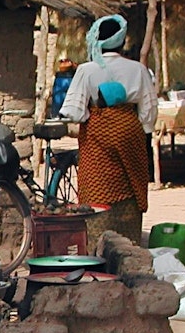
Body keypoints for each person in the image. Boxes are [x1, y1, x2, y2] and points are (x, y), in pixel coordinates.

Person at [58, 15, 158, 242]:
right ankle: (129, 246)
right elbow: (149, 112)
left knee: (96, 188)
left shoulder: (86, 70)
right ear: (122, 42)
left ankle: (97, 247)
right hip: (130, 131)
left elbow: (74, 111)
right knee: (130, 187)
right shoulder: (138, 70)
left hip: (96, 135)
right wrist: (136, 126)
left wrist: (93, 116)